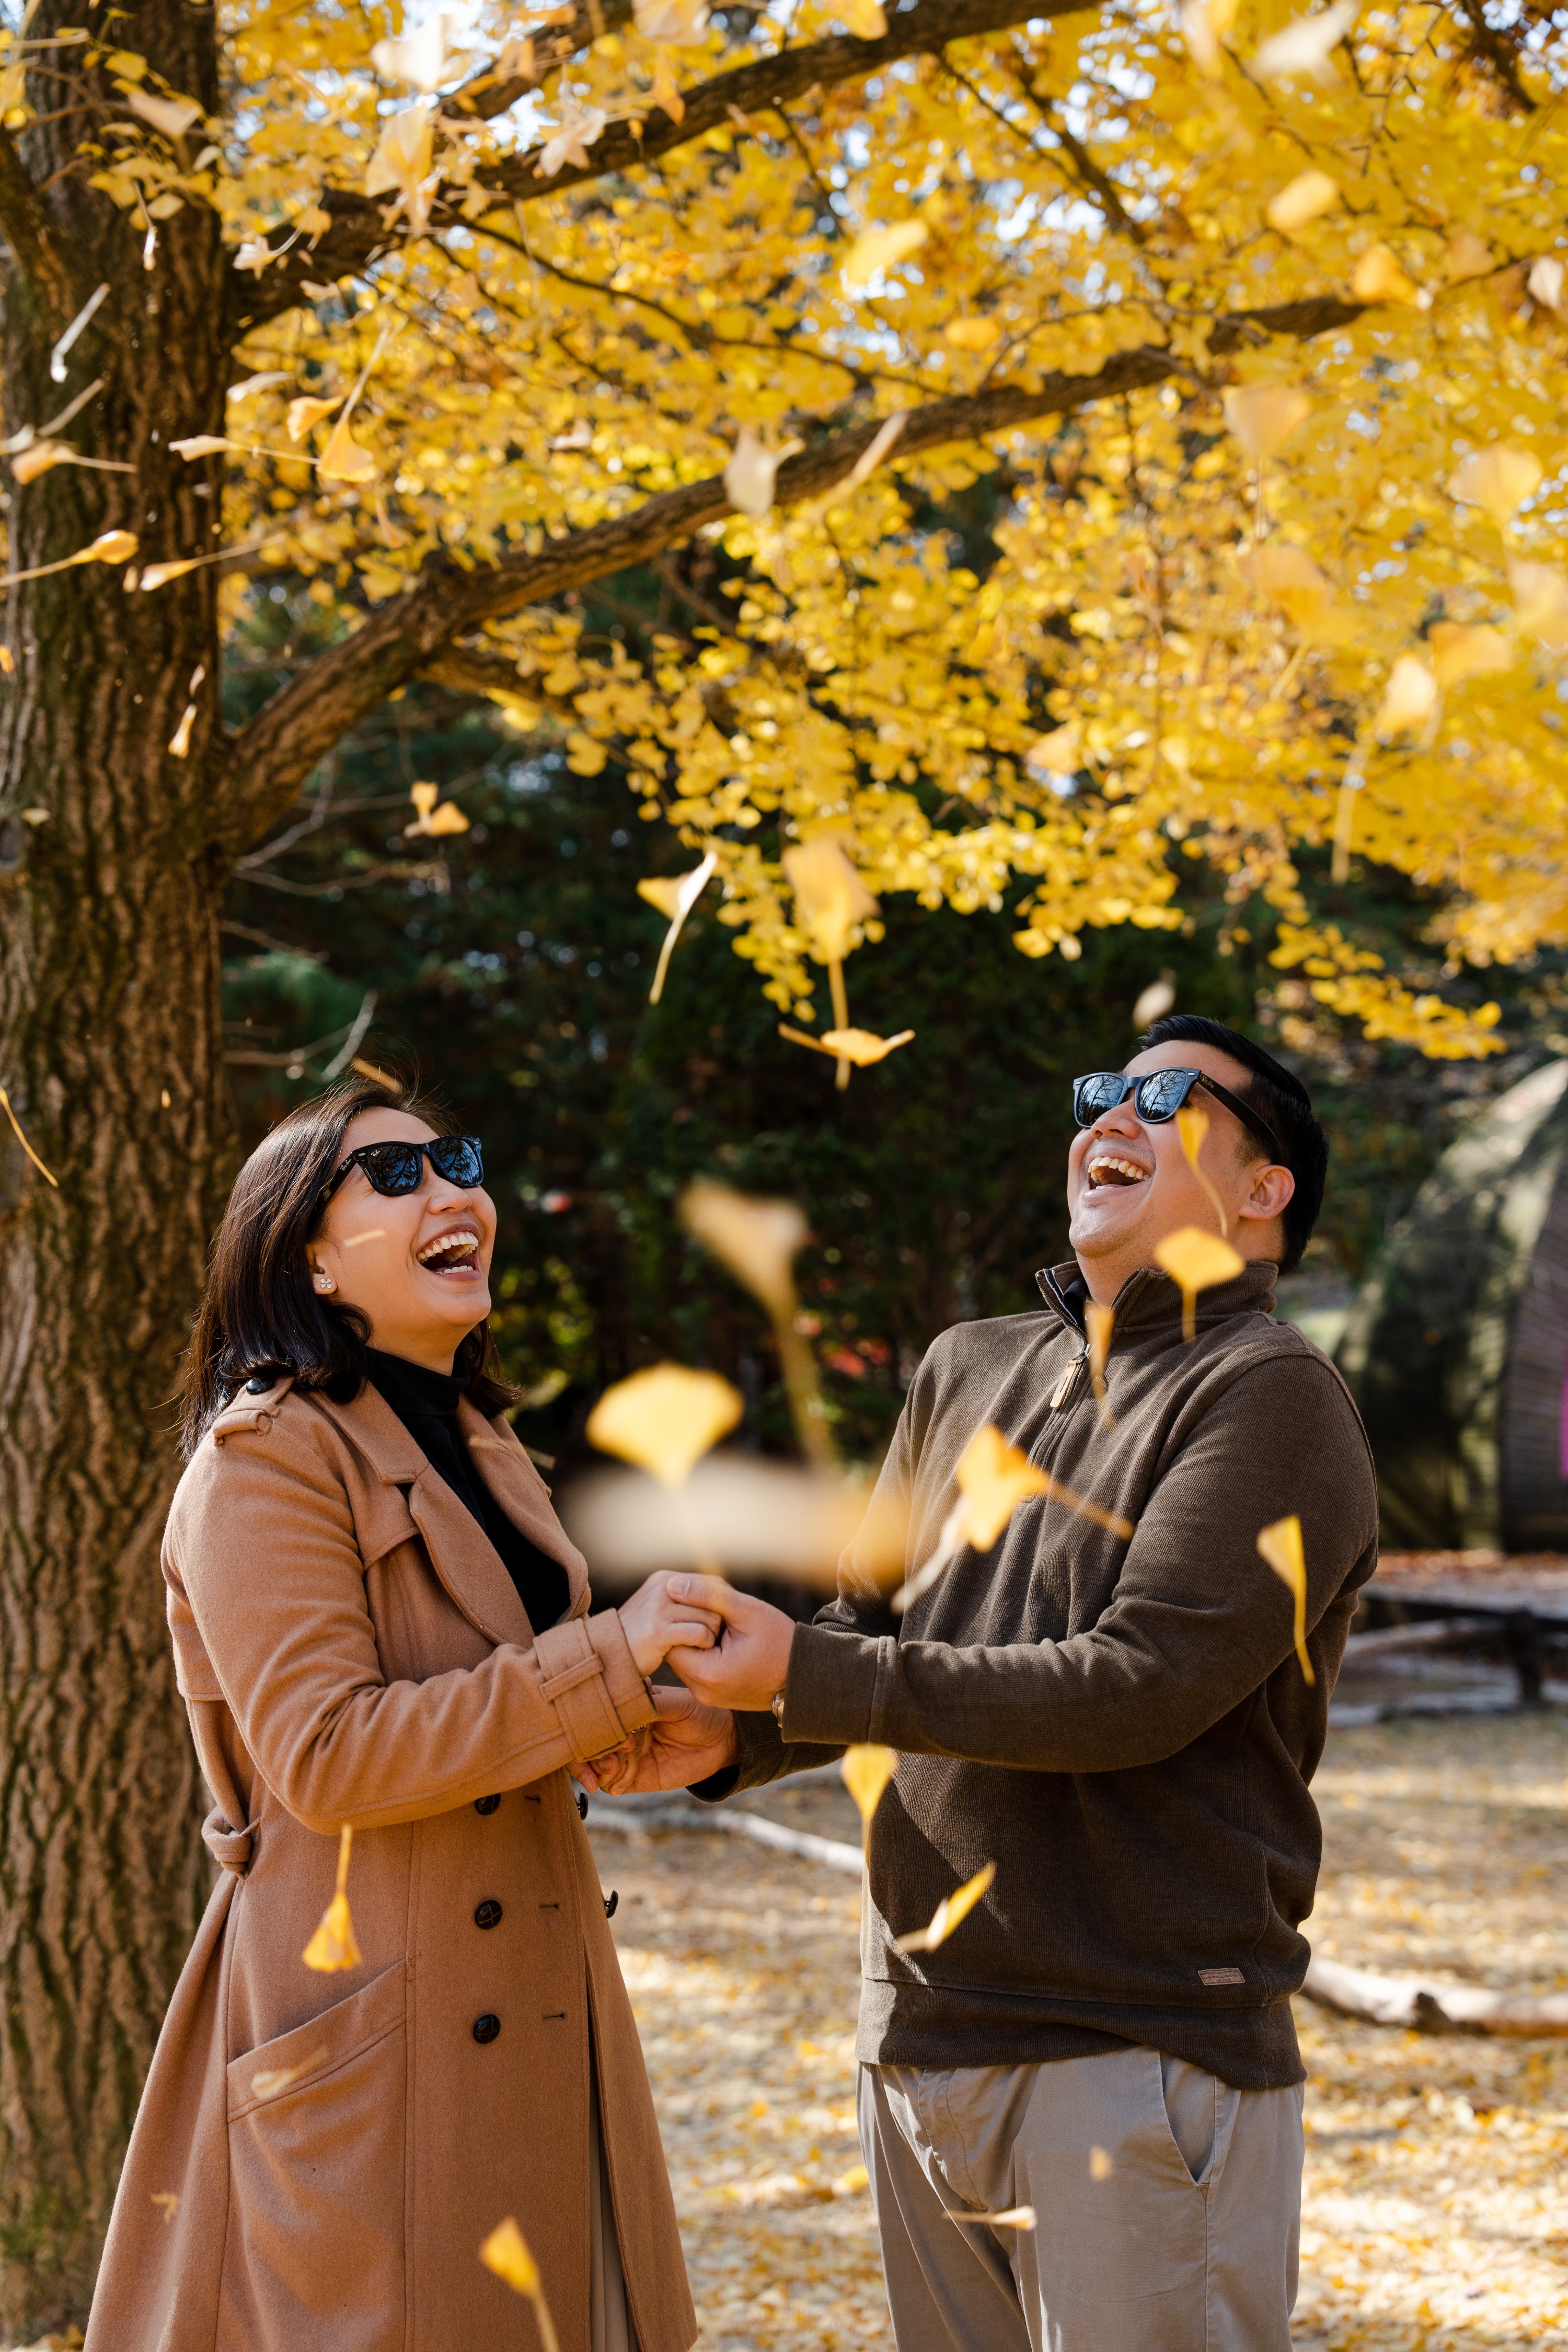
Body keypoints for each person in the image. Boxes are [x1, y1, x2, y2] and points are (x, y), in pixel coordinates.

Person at [582, 1015, 1380, 2352]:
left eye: (1166, 1096)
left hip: (1134, 2051)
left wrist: (815, 1672)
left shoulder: (1270, 1396)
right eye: (1100, 1094)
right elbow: (863, 1629)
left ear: (1262, 1194)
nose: (1111, 1118)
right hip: (916, 2035)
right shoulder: (968, 1367)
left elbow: (1141, 1686)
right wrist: (729, 1737)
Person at [86, 1078, 722, 2352]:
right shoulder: (262, 1459)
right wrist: (602, 1659)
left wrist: (639, 1723)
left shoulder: (481, 1442)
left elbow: (504, 1701)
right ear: (307, 1258)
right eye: (393, 1175)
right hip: (376, 2026)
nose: (453, 1193)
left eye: (459, 1163)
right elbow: (325, 1757)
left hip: (537, 2001)